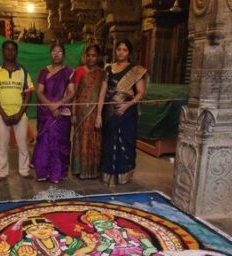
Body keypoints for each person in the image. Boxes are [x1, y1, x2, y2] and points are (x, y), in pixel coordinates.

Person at [96, 39, 147, 186]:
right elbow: (102, 93)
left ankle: (124, 176)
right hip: (110, 114)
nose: (121, 52)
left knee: (125, 142)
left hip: (127, 114)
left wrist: (127, 105)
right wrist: (99, 115)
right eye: (119, 49)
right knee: (109, 143)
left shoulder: (136, 70)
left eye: (124, 50)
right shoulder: (108, 69)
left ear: (129, 53)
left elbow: (140, 93)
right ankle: (109, 176)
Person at [32, 44, 75, 184]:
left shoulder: (69, 71)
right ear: (50, 54)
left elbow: (72, 92)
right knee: (45, 142)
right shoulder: (44, 72)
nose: (57, 54)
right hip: (46, 112)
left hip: (62, 112)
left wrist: (58, 104)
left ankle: (59, 173)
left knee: (61, 142)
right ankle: (44, 172)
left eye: (60, 52)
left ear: (64, 55)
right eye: (54, 52)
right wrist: (51, 106)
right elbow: (39, 91)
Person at [0, 41, 33, 181]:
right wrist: (3, 114)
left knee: (23, 144)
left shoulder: (23, 71)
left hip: (20, 115)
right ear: (2, 52)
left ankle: (24, 170)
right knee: (1, 145)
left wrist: (20, 113)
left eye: (13, 50)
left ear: (16, 52)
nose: (10, 52)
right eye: (7, 49)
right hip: (2, 115)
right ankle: (2, 172)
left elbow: (28, 93)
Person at [71, 45, 104, 179]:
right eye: (89, 55)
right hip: (81, 111)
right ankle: (81, 170)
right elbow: (74, 93)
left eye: (94, 55)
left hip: (95, 111)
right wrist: (73, 113)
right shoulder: (79, 71)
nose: (91, 58)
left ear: (98, 57)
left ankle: (93, 170)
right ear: (85, 56)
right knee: (82, 139)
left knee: (95, 139)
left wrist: (99, 115)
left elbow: (102, 94)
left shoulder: (102, 73)